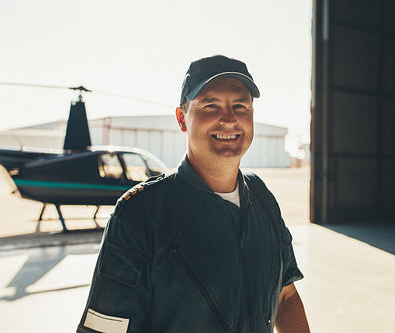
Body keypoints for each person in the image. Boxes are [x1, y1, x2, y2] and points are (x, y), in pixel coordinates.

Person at [77, 55, 310, 333]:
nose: (229, 119)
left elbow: (286, 298)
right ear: (182, 119)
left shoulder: (262, 198)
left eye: (240, 106)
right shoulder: (140, 214)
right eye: (210, 105)